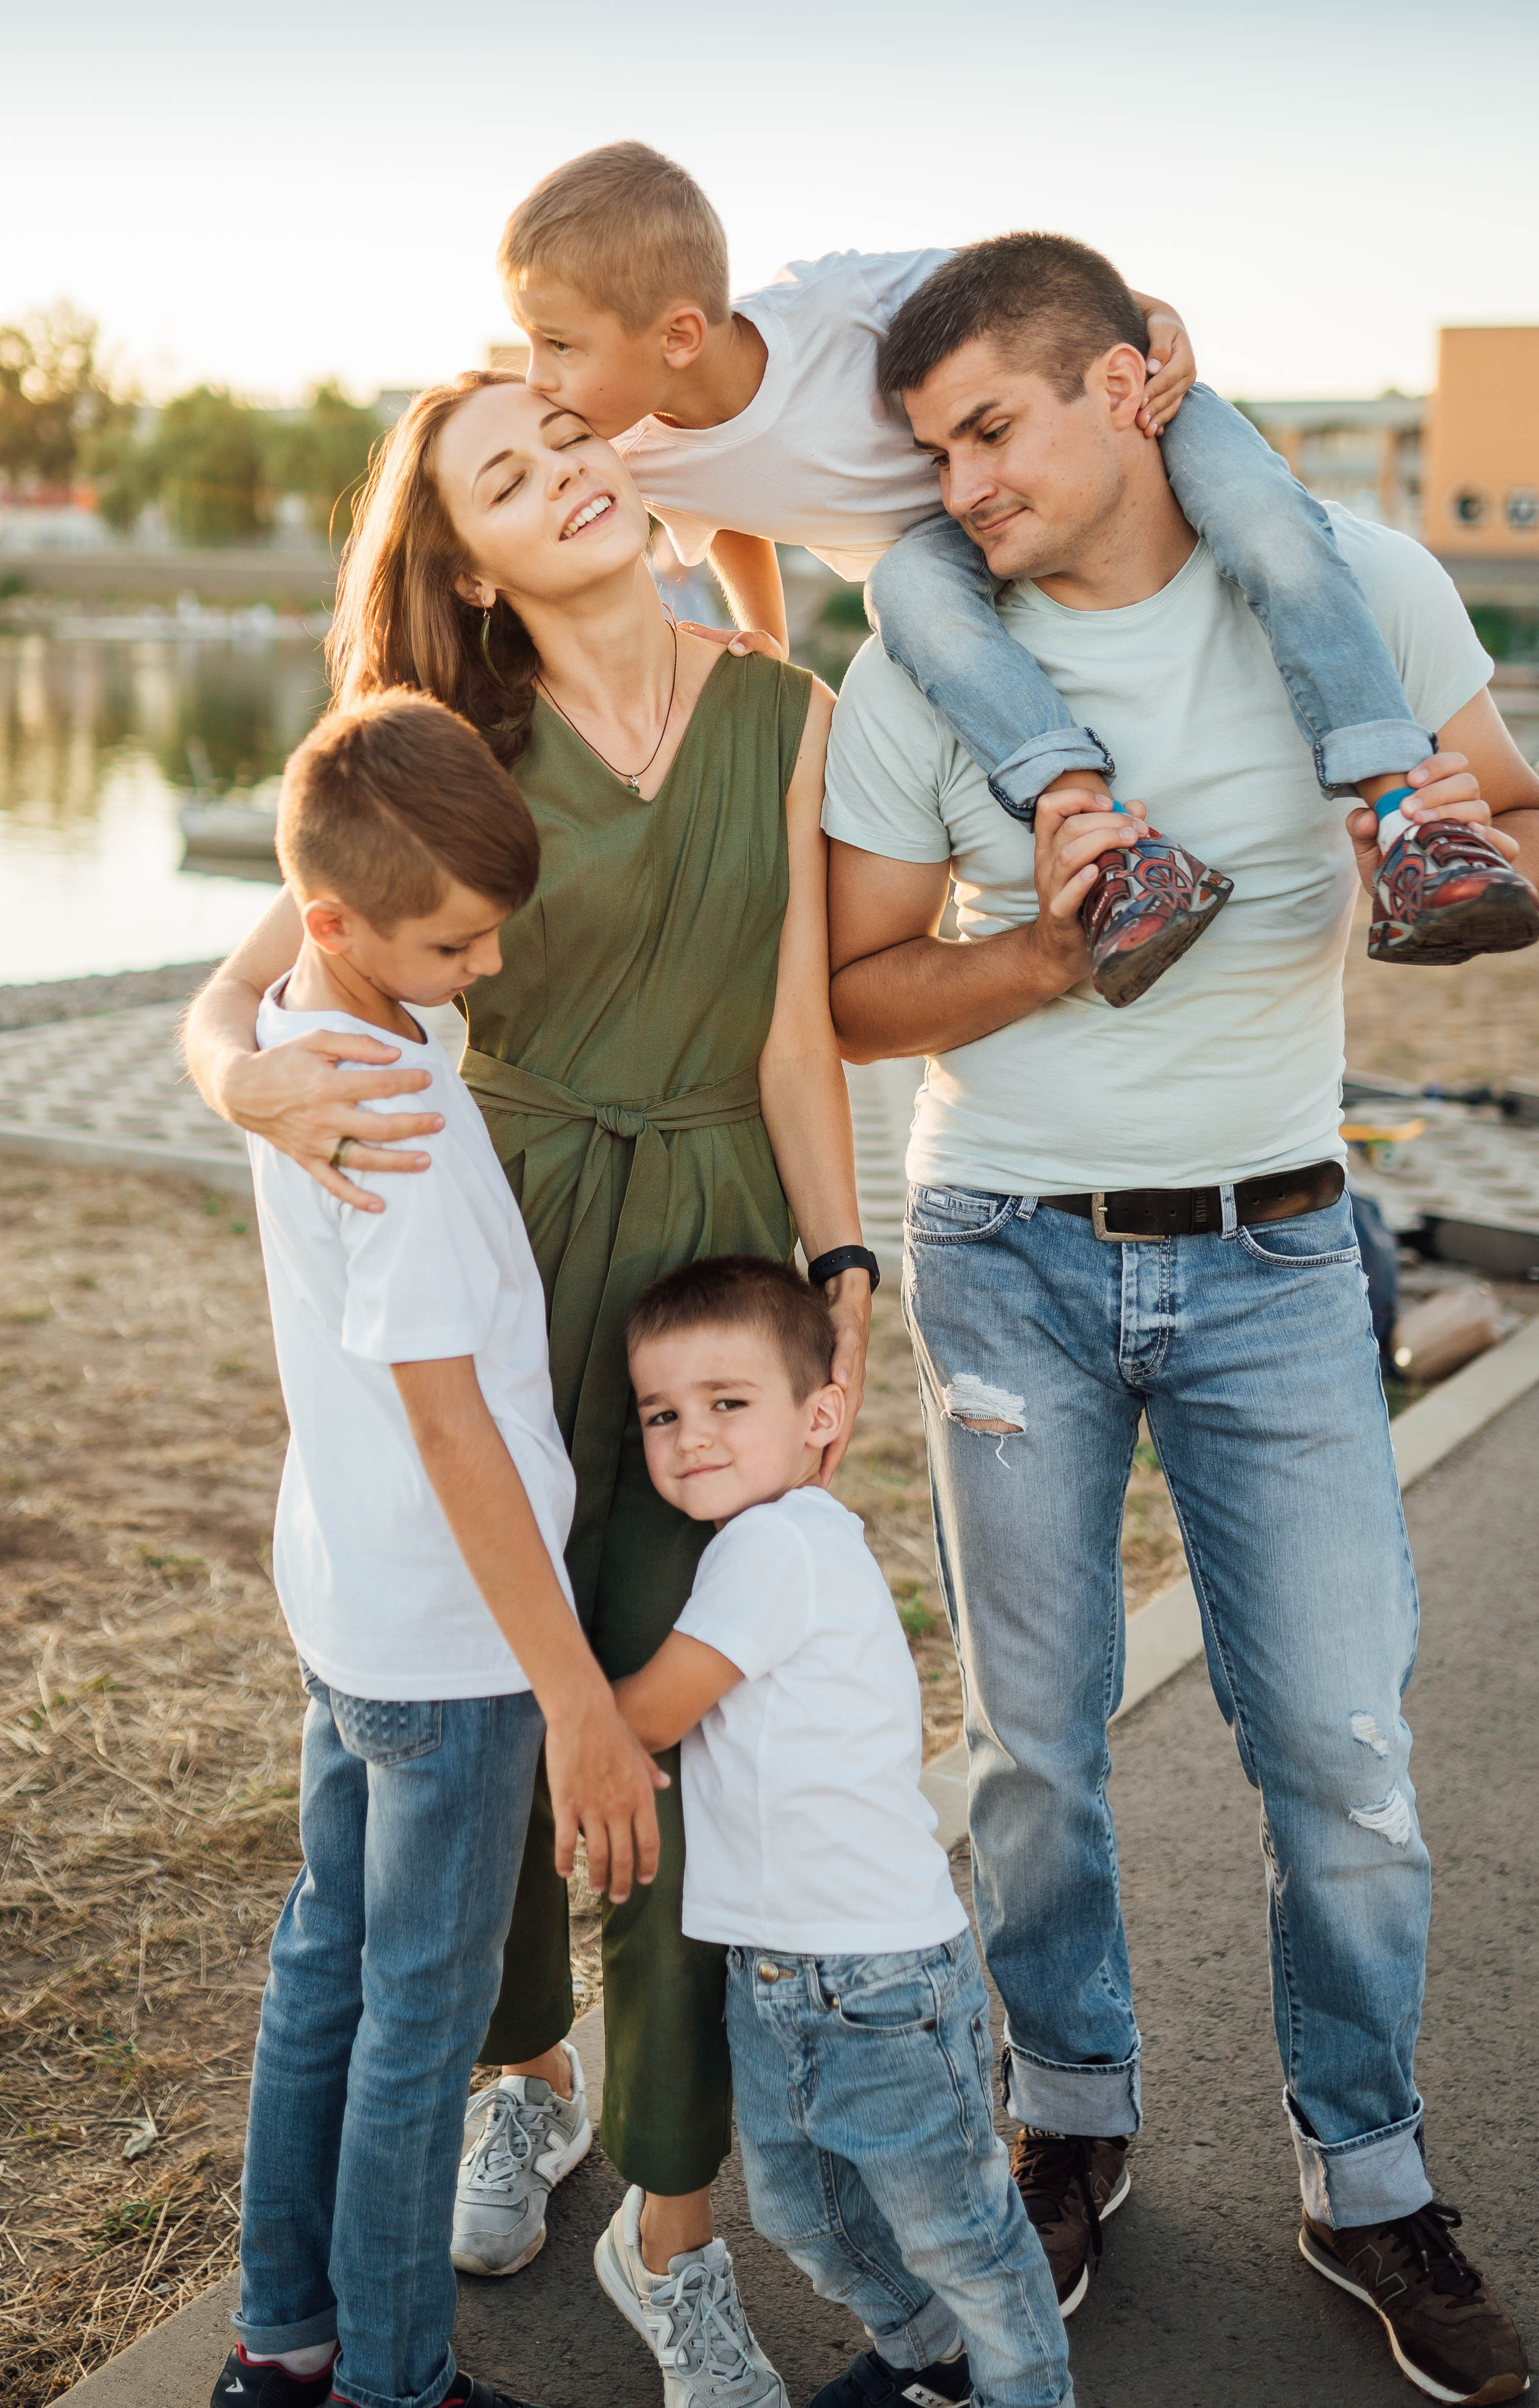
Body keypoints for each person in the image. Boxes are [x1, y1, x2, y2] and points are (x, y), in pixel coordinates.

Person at [822, 235, 1539, 2405]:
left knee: (1342, 1754)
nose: (960, 483)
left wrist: (1463, 841)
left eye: (995, 429)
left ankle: (1371, 2172)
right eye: (931, 448)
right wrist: (1051, 954)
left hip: (1277, 1251)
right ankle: (1068, 2123)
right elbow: (858, 996)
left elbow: (1520, 822)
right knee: (1033, 1765)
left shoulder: (1365, 587)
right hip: (1012, 1249)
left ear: (1138, 385)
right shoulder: (924, 678)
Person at [183, 376, 873, 2408]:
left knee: (688, 1725)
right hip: (504, 1243)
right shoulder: (441, 750)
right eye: (511, 467)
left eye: (576, 431)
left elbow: (798, 1038)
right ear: (466, 552)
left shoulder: (783, 705)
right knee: (493, 1728)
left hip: (716, 1254)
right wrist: (241, 1085)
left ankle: (677, 2233)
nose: (571, 468)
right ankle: (515, 2079)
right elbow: (246, 987)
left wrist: (838, 1284)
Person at [498, 139, 1539, 1011]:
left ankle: (1410, 816)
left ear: (678, 334)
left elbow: (1036, 300)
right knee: (901, 591)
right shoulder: (640, 456)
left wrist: (1155, 319)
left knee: (1269, 528)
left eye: (556, 346)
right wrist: (763, 641)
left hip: (1128, 419)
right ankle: (1118, 850)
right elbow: (731, 514)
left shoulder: (841, 300)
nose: (538, 377)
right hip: (970, 539)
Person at [212, 694, 663, 2408]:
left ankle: (283, 2339)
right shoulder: (384, 1118)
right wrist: (577, 1703)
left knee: (323, 1966)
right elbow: (453, 1427)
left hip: (349, 1607)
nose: (482, 968)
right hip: (453, 1643)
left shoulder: (294, 1023)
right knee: (418, 2020)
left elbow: (248, 969)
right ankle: (400, 2381)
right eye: (453, 941)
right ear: (337, 923)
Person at [613, 1256, 1073, 2408]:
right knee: (805, 2215)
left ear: (821, 1413)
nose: (691, 1437)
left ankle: (1025, 2392)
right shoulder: (756, 1543)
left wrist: (546, 1705)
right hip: (778, 1976)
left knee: (964, 2233)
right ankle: (934, 2367)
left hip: (879, 1982)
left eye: (728, 1403)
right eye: (661, 1414)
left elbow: (649, 1717)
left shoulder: (782, 1548)